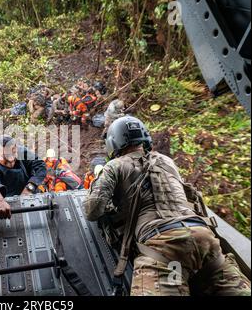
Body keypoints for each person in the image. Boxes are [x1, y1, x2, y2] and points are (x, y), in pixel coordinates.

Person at [83, 116, 251, 296]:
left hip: (162, 247)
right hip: (204, 238)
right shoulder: (167, 161)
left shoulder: (114, 166)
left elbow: (93, 210)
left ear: (113, 143)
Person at [0, 136, 46, 219]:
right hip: (7, 203)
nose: (11, 161)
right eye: (5, 157)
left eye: (13, 154)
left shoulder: (22, 152)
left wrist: (29, 188)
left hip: (30, 193)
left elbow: (40, 165)